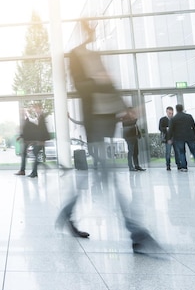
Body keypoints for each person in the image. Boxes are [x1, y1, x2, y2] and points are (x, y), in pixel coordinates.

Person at [55, 20, 164, 256]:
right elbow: (82, 87)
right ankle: (137, 235)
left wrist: (127, 108)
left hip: (106, 123)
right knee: (110, 178)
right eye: (89, 29)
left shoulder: (95, 57)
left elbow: (111, 88)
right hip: (94, 125)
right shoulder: (75, 56)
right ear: (84, 32)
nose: (93, 32)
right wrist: (98, 80)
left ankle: (67, 213)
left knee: (96, 176)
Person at [168, 104, 195, 173]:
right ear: (182, 108)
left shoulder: (174, 119)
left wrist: (169, 138)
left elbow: (170, 129)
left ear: (176, 109)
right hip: (190, 136)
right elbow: (194, 127)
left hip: (179, 138)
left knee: (181, 152)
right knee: (194, 151)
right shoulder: (189, 116)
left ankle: (184, 167)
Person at [122, 107, 145, 172]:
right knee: (131, 152)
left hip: (134, 137)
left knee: (136, 152)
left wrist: (139, 134)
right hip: (129, 138)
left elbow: (135, 127)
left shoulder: (133, 118)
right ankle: (130, 167)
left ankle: (137, 166)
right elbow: (129, 125)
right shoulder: (125, 118)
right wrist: (135, 119)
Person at [159, 106, 178, 171]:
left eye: (172, 113)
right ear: (166, 112)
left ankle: (179, 165)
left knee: (177, 152)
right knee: (168, 153)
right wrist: (166, 129)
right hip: (167, 139)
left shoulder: (175, 119)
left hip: (175, 138)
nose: (170, 114)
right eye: (169, 113)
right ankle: (168, 165)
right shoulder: (163, 119)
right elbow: (160, 128)